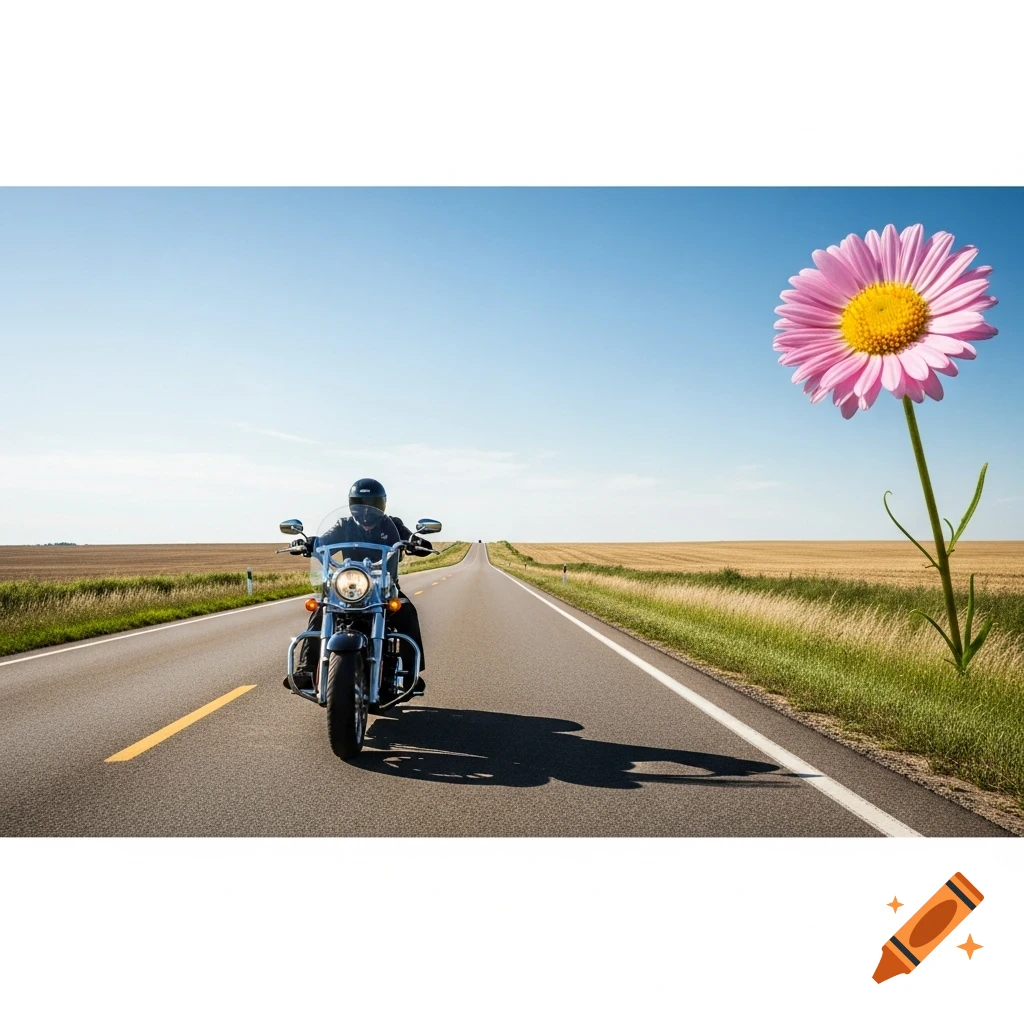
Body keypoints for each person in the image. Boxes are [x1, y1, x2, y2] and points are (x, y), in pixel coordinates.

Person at [284, 478, 432, 697]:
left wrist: (417, 543)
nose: (365, 511)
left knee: (407, 611)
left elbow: (409, 537)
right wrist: (308, 543)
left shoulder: (393, 524)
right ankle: (306, 669)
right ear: (352, 505)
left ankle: (411, 674)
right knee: (320, 609)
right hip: (348, 586)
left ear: (381, 505)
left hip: (383, 587)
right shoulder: (344, 525)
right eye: (360, 504)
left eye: (371, 504)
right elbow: (323, 540)